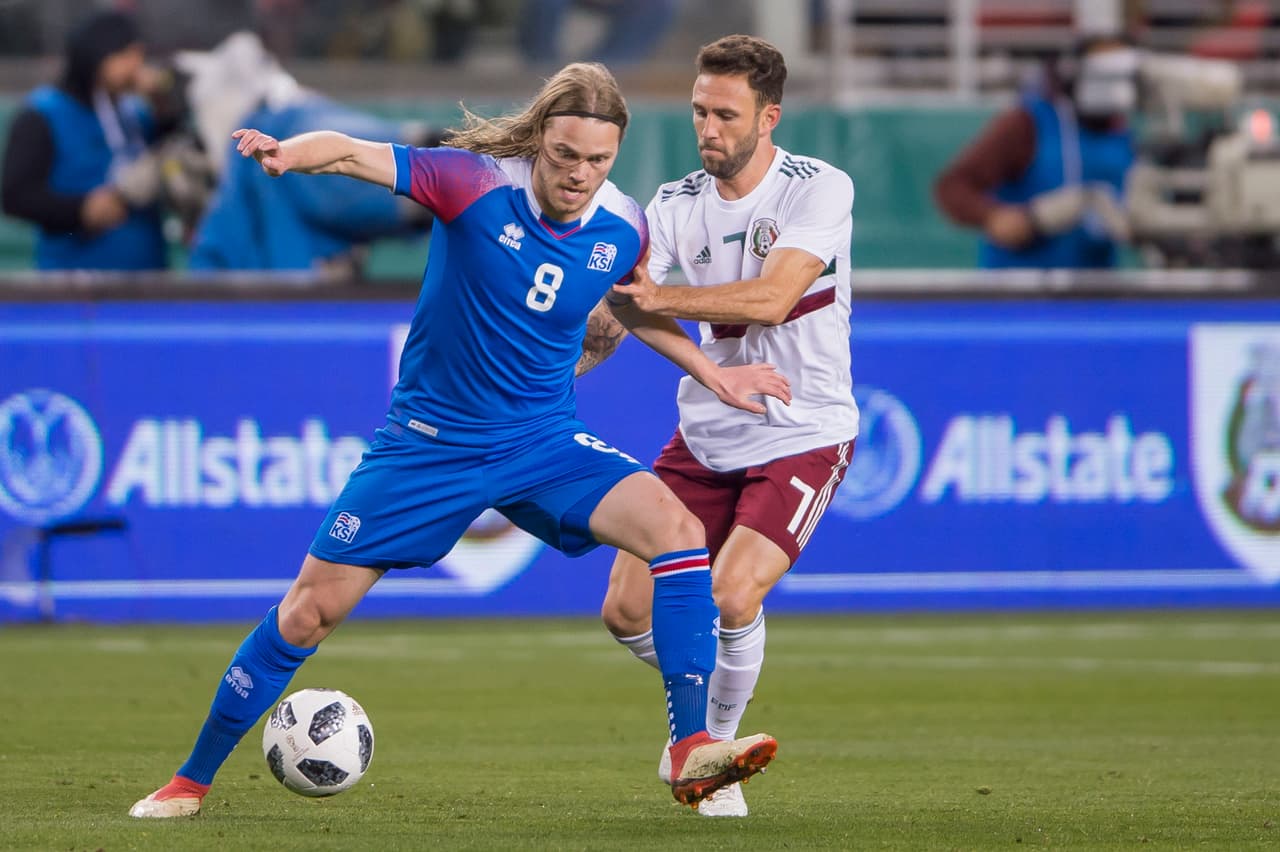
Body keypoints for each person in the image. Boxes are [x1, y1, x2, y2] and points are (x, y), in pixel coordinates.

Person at [128, 61, 785, 819]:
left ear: (615, 156)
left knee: (676, 531)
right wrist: (289, 152)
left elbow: (633, 309)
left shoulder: (624, 224)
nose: (578, 174)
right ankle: (190, 781)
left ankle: (690, 749)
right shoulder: (473, 183)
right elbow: (352, 152)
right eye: (565, 154)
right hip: (429, 447)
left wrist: (713, 372)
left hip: (543, 443)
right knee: (307, 613)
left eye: (597, 160)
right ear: (540, 138)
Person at [585, 35, 858, 818]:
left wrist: (648, 299)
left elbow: (771, 300)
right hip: (708, 432)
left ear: (769, 117)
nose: (708, 127)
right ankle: (705, 715)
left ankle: (712, 754)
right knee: (625, 612)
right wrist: (580, 351)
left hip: (802, 427)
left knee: (732, 594)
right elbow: (625, 314)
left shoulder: (818, 189)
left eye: (726, 114)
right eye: (701, 110)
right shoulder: (673, 204)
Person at [933, 35, 1138, 269]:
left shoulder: (1127, 133)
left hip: (1095, 289)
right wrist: (994, 217)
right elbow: (954, 184)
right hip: (1021, 289)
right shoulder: (1028, 123)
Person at [0, 9, 170, 271]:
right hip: (74, 286)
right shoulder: (44, 114)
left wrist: (164, 102)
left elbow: (170, 150)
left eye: (139, 55)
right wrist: (80, 211)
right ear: (98, 56)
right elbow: (15, 196)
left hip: (145, 282)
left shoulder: (135, 113)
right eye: (125, 55)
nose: (136, 65)